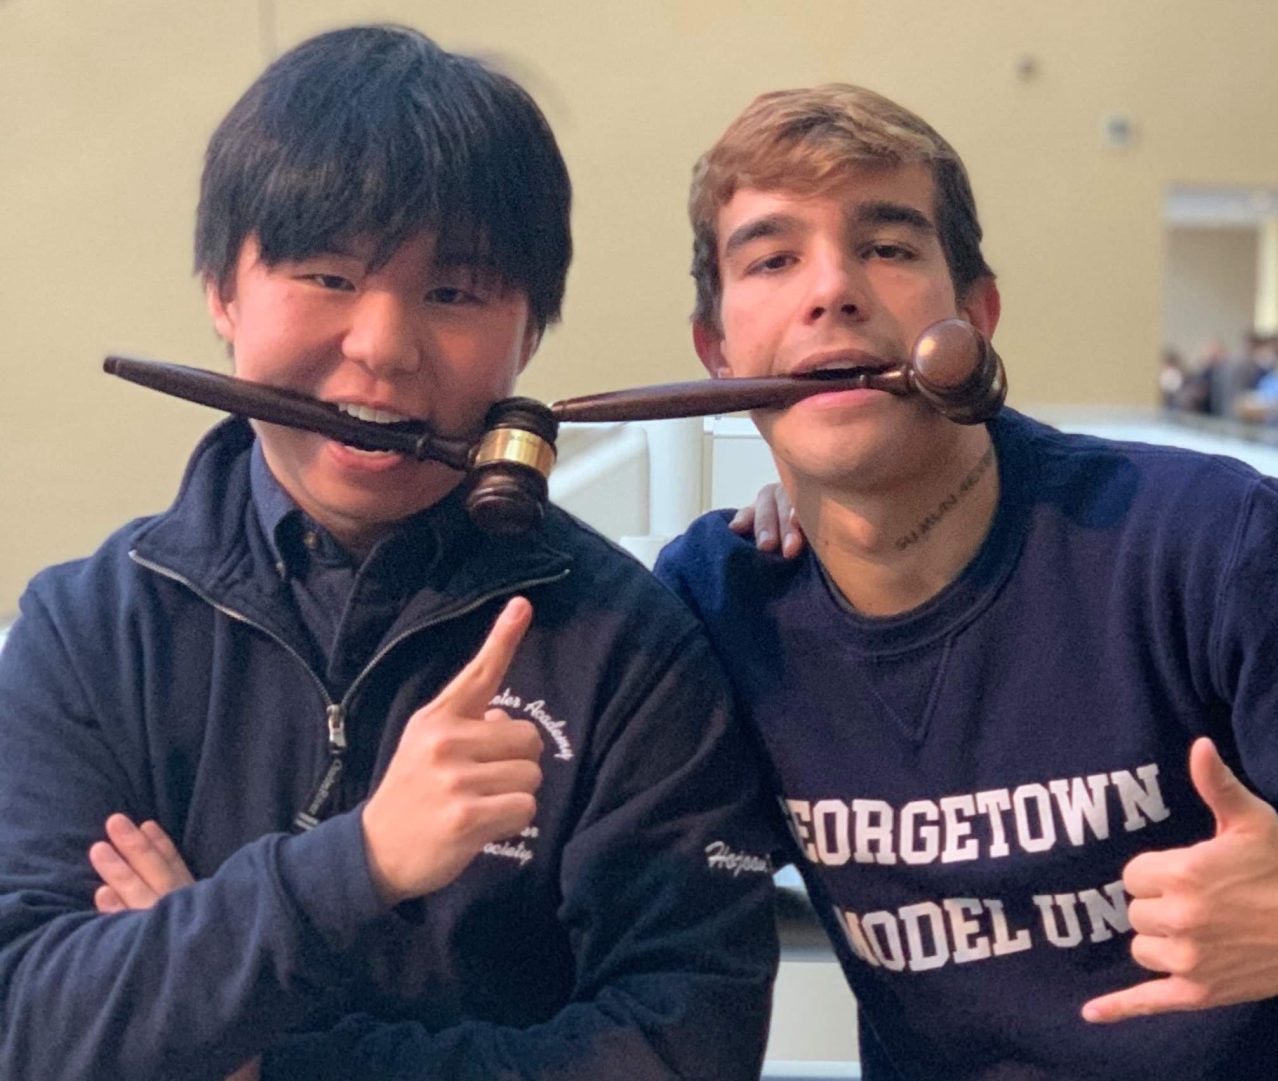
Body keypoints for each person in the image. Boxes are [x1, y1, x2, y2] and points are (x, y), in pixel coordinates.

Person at [654, 82, 1278, 1080]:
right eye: (773, 258)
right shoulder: (721, 606)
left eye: (890, 246)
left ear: (977, 315)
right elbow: (631, 911)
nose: (833, 289)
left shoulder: (1204, 543)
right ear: (716, 350)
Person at [0, 25, 777, 1080]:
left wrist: (251, 1049)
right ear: (223, 293)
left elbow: (683, 1052)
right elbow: (28, 1024)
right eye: (326, 274)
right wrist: (352, 865)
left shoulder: (628, 650)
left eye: (453, 293)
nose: (383, 347)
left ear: (527, 336)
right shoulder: (90, 631)